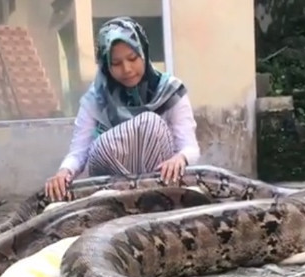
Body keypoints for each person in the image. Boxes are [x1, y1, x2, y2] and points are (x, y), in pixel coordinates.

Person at [45, 16, 200, 201]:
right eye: (116, 63)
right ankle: (121, 199)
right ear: (105, 65)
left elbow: (190, 147)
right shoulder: (96, 98)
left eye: (133, 58)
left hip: (161, 180)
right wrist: (64, 172)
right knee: (119, 135)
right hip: (109, 183)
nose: (126, 69)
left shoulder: (170, 91)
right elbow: (79, 151)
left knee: (150, 122)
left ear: (144, 54)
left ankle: (152, 197)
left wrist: (180, 159)